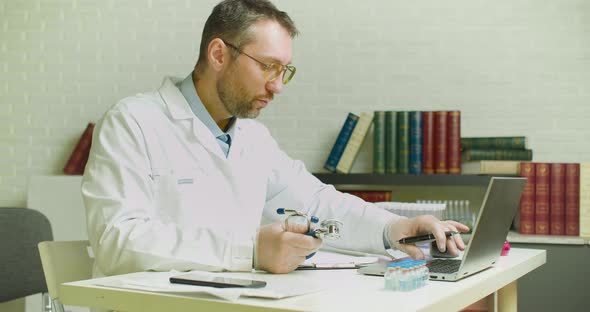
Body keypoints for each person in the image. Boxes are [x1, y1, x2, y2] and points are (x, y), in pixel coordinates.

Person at [82, 0, 469, 276]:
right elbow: (116, 240)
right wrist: (250, 249)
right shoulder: (133, 122)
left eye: (285, 71)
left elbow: (317, 201)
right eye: (268, 66)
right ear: (219, 54)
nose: (277, 86)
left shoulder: (253, 138)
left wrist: (391, 228)